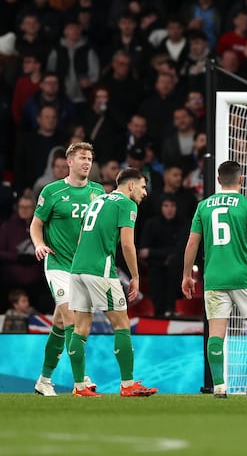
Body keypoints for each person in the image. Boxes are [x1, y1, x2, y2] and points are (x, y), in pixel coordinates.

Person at [181, 161, 247, 399]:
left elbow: (192, 243)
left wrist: (186, 275)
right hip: (241, 277)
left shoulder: (203, 206)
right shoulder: (246, 205)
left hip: (213, 277)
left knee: (216, 333)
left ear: (217, 180)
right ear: (241, 180)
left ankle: (219, 388)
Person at [67, 168, 157, 397]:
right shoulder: (127, 204)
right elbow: (127, 244)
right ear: (130, 186)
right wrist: (135, 277)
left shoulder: (98, 200)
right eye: (143, 187)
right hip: (100, 270)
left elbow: (79, 237)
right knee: (122, 324)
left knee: (80, 328)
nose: (144, 193)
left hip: (77, 269)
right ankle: (128, 385)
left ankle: (79, 387)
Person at [31, 142, 105, 397]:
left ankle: (44, 380)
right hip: (58, 265)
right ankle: (80, 383)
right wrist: (39, 244)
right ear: (69, 162)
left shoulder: (98, 192)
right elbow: (36, 224)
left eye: (90, 159)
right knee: (72, 318)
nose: (87, 162)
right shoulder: (52, 191)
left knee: (60, 324)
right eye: (82, 158)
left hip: (83, 268)